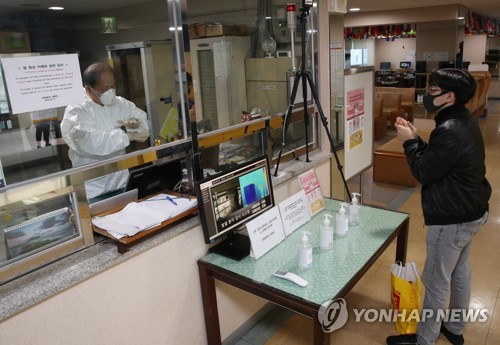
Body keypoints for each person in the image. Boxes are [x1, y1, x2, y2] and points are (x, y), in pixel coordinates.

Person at [387, 68, 491, 345]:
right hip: (473, 210)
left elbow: (423, 171)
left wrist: (407, 142)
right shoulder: (462, 120)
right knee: (460, 271)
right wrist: (416, 137)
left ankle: (425, 339)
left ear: (449, 96)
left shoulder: (449, 129)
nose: (427, 96)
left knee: (435, 281)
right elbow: (439, 160)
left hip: (452, 217)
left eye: (433, 92)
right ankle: (455, 327)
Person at [61, 62, 150, 200]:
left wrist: (136, 125)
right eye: (105, 88)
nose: (110, 92)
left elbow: (145, 127)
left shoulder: (120, 103)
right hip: (93, 190)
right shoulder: (76, 110)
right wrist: (127, 136)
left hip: (122, 183)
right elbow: (91, 142)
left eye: (112, 86)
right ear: (88, 89)